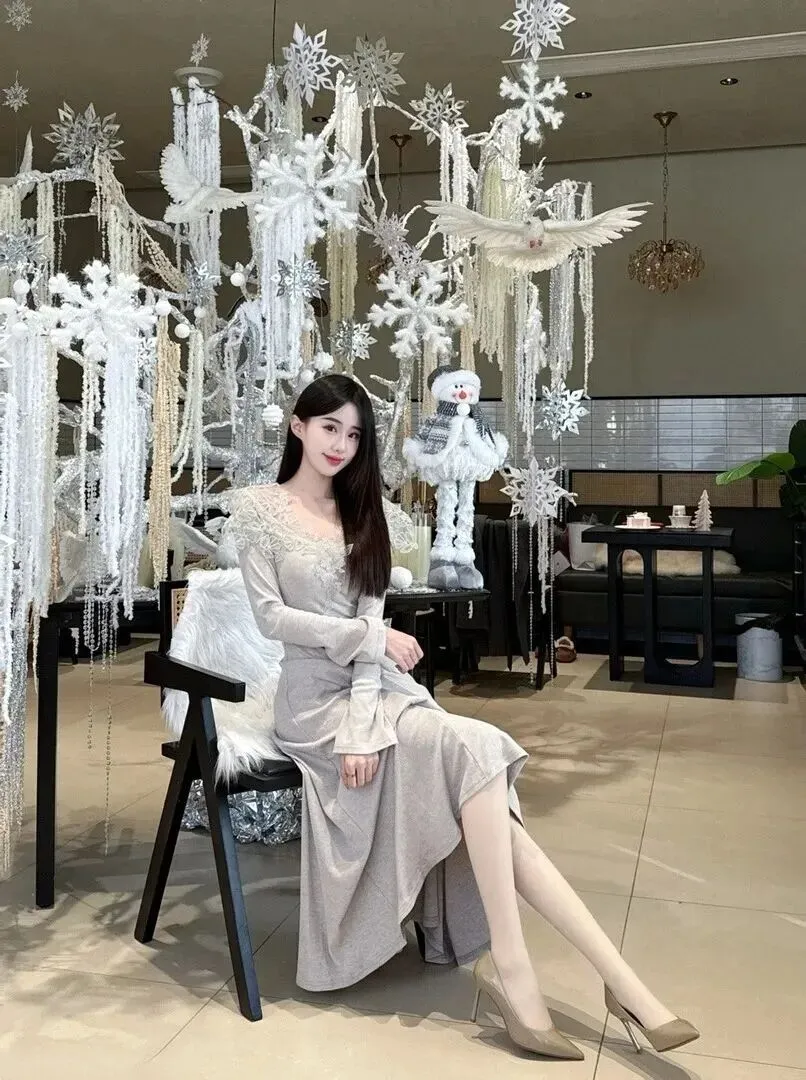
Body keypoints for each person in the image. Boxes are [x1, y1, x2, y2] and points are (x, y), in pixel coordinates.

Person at [228, 374, 698, 1061]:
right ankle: (581, 982)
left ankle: (584, 976)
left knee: (478, 752)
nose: (341, 445)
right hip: (311, 703)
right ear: (298, 426)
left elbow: (371, 633)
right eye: (329, 428)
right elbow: (273, 620)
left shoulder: (365, 511)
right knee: (477, 758)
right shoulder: (259, 511)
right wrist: (368, 645)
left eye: (354, 434)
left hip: (375, 694)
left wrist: (366, 714)